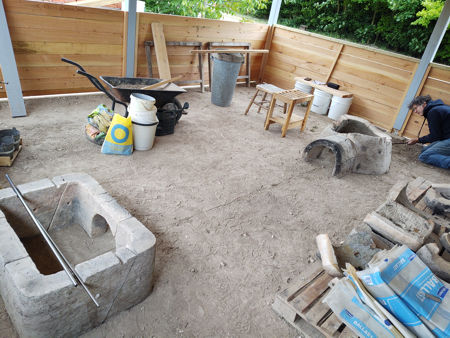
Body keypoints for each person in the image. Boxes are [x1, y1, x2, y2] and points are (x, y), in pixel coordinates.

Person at [407, 95, 450, 169]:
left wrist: (417, 140)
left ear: (424, 104)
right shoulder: (437, 108)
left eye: (415, 108)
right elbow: (439, 135)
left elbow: (435, 137)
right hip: (447, 138)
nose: (415, 111)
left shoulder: (434, 112)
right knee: (424, 150)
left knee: (424, 156)